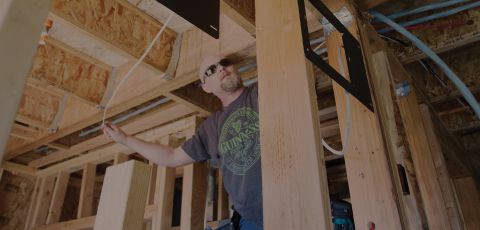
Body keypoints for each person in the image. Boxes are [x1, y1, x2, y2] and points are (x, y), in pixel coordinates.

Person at [103, 54, 263, 230]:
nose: (221, 69)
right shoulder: (211, 128)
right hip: (251, 220)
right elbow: (172, 157)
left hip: (291, 198)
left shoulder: (261, 91)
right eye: (211, 70)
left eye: (224, 63)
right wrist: (125, 139)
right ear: (206, 88)